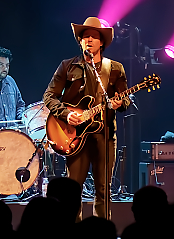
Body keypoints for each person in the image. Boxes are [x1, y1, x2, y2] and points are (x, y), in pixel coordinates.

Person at [43, 17, 130, 220]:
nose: (89, 40)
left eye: (94, 37)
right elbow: (49, 95)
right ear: (80, 41)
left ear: (102, 42)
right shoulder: (68, 66)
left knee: (103, 189)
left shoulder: (115, 69)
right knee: (72, 189)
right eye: (85, 37)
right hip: (74, 135)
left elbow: (124, 100)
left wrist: (120, 103)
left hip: (104, 135)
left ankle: (101, 235)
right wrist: (66, 114)